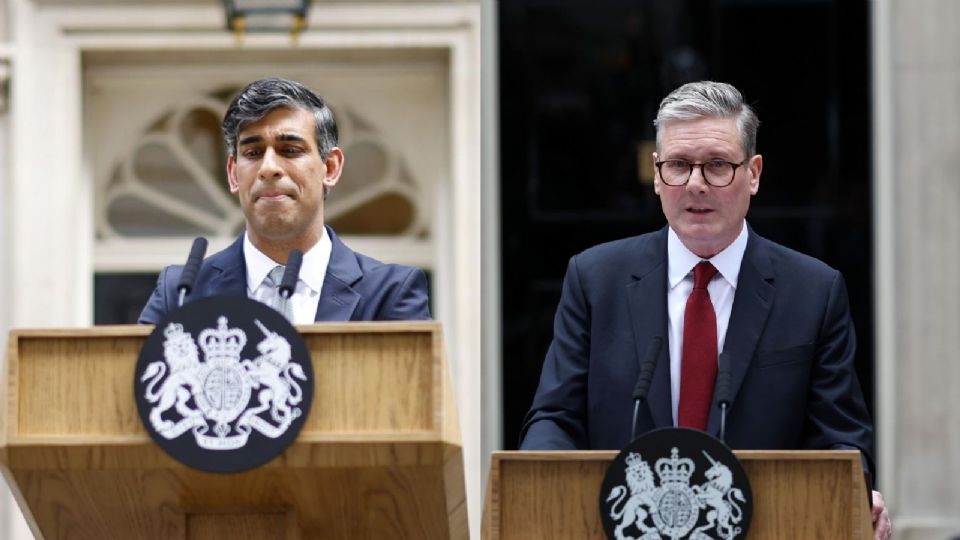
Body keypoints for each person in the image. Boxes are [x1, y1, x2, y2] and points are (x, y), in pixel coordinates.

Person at [519, 81, 890, 538]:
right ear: (656, 174)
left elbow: (839, 437)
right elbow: (555, 418)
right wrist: (543, 492)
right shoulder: (595, 280)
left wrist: (854, 490)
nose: (695, 184)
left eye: (717, 165)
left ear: (753, 173)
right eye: (677, 165)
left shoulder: (813, 291)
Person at [139, 77, 430, 324]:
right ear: (233, 173)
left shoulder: (390, 293)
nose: (268, 168)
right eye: (252, 153)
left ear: (330, 168)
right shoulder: (180, 294)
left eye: (290, 149)